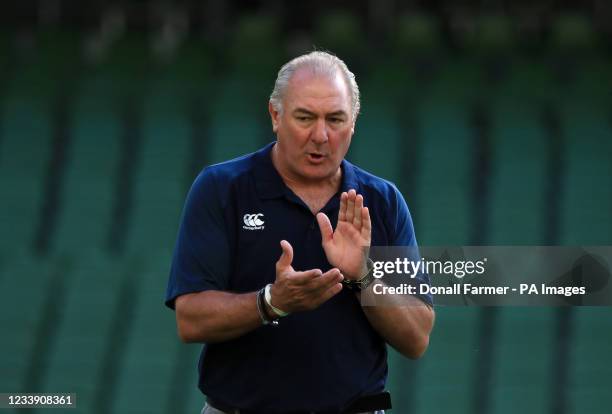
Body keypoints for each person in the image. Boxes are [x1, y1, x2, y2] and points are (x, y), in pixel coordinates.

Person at [165, 51, 435, 414]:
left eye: (336, 119)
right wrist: (271, 302)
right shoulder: (221, 189)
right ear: (275, 116)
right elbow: (190, 318)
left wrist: (362, 277)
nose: (321, 135)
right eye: (305, 117)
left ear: (353, 122)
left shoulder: (382, 201)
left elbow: (416, 337)